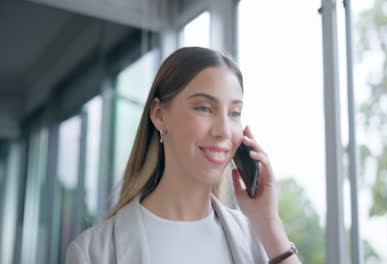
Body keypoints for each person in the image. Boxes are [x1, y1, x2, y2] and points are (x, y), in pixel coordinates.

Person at [66, 47, 301, 264]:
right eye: (204, 108)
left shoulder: (258, 239)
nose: (224, 130)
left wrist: (270, 223)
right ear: (159, 115)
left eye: (234, 113)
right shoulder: (92, 252)